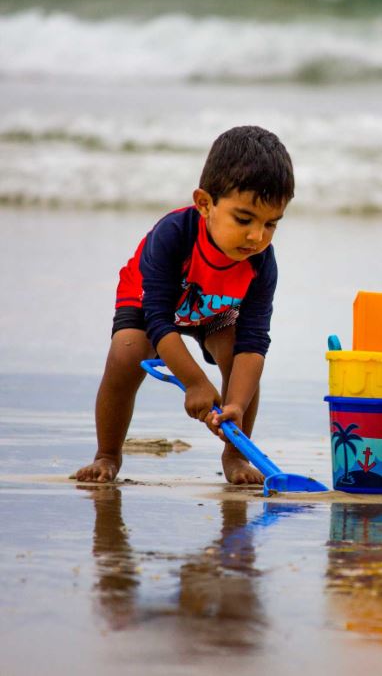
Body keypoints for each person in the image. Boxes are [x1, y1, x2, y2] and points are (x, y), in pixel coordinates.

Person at [73, 125, 294, 485]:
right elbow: (159, 321)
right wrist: (194, 382)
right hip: (151, 302)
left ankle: (236, 456)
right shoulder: (173, 235)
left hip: (215, 310)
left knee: (240, 363)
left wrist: (234, 403)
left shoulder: (261, 262)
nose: (257, 236)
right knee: (127, 352)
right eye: (244, 219)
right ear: (205, 203)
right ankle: (107, 454)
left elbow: (255, 343)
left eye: (271, 224)